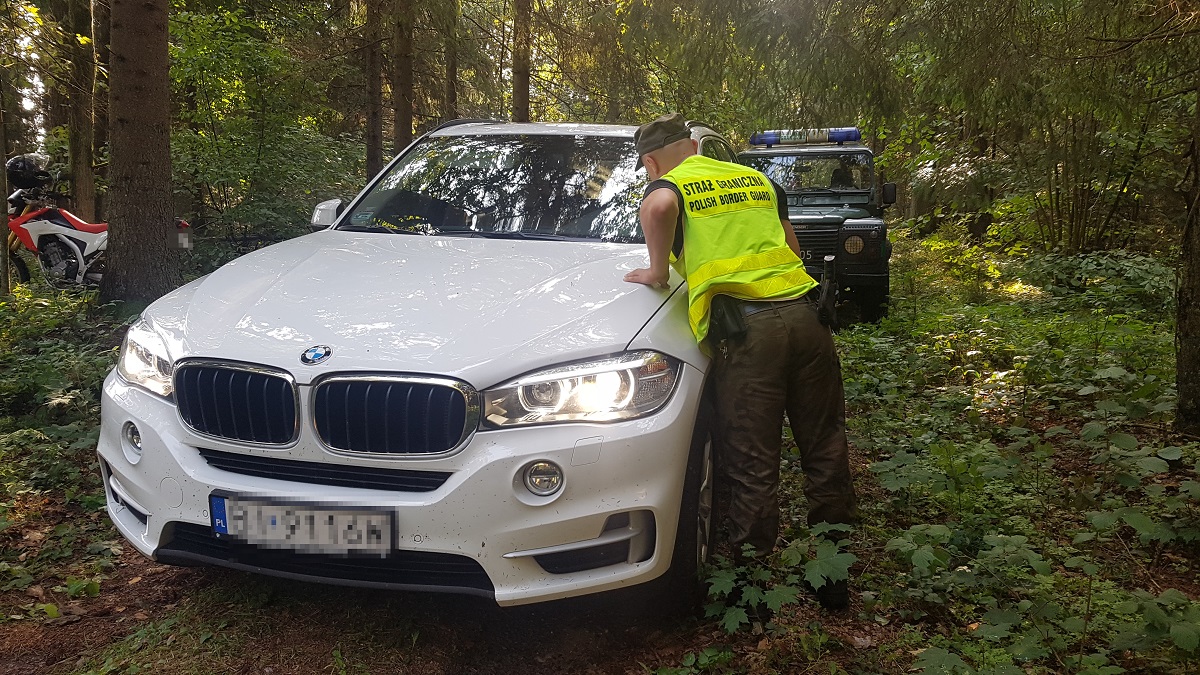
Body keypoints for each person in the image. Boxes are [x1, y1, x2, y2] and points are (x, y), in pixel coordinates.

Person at [623, 113, 857, 610]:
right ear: (693, 144)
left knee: (752, 460)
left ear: (650, 160)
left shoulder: (671, 184)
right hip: (806, 317)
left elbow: (660, 205)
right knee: (825, 447)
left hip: (751, 333)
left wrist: (657, 269)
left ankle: (750, 588)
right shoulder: (755, 179)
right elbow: (790, 248)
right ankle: (835, 575)